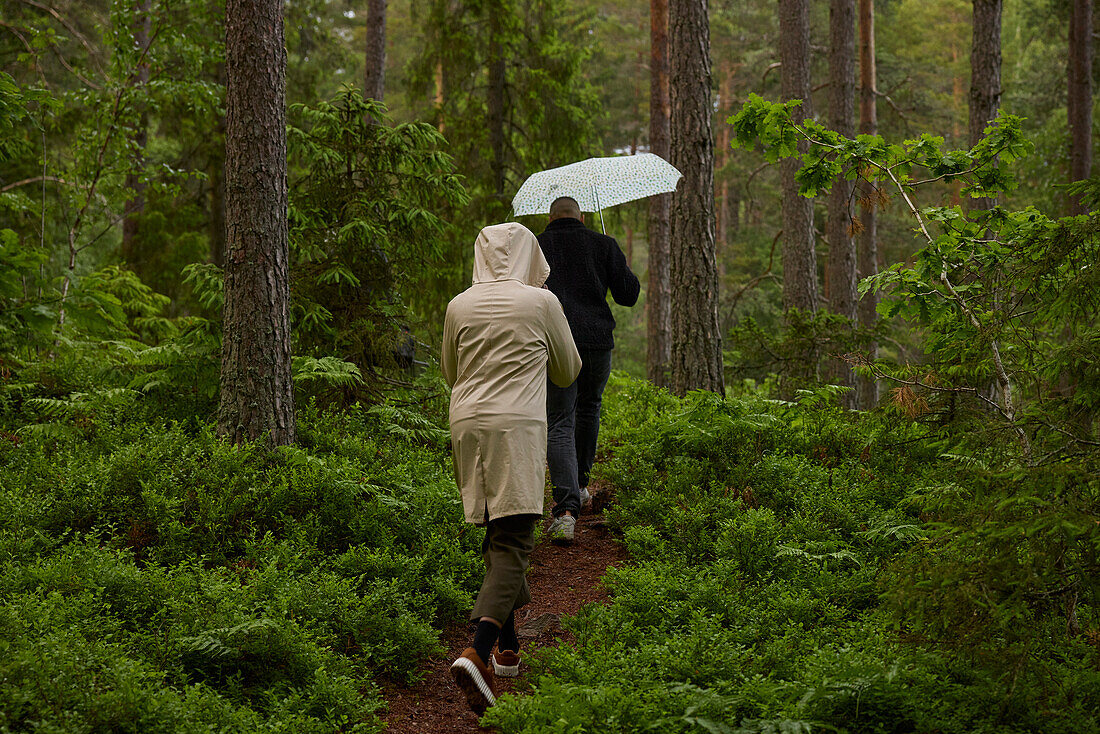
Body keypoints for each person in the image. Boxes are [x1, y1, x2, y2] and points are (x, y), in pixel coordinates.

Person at [441, 222, 581, 714]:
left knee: (498, 529)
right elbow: (569, 370)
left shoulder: (459, 305)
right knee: (518, 538)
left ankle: (508, 650)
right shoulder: (542, 303)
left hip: (467, 423)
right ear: (529, 255)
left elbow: (449, 372)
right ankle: (477, 650)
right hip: (515, 427)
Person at [537, 196, 640, 544]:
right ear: (581, 216)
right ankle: (580, 486)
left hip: (556, 342)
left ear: (550, 217)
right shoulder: (602, 243)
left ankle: (566, 512)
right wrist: (614, 257)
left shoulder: (536, 246)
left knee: (560, 419)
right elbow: (628, 295)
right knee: (589, 409)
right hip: (597, 342)